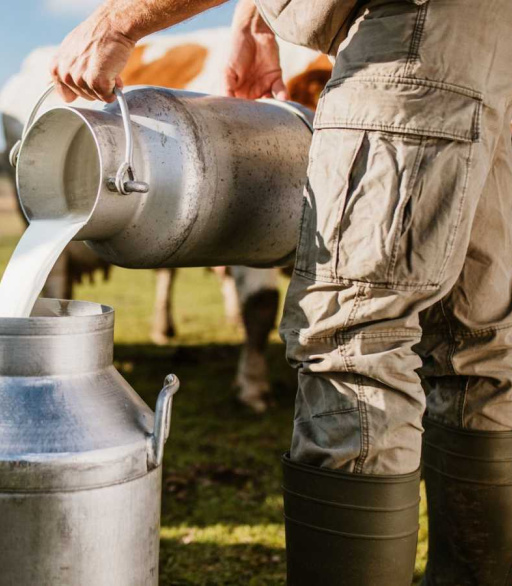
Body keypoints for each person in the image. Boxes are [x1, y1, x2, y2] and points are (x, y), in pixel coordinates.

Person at [51, 0, 512, 584]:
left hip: (406, 31)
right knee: (476, 340)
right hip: (496, 40)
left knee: (352, 339)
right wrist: (253, 21)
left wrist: (115, 20)